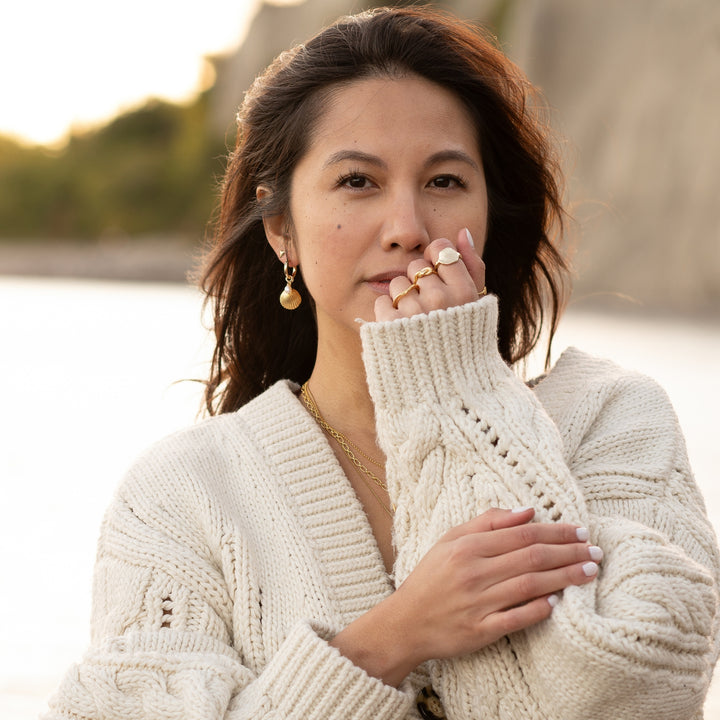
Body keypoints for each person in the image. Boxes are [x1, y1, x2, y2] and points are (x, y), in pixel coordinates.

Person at [45, 6, 720, 719]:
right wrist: (395, 636)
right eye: (358, 182)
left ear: (490, 211)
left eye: (445, 182)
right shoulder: (181, 495)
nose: (407, 228)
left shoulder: (611, 422)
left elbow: (647, 683)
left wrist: (451, 387)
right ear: (282, 230)